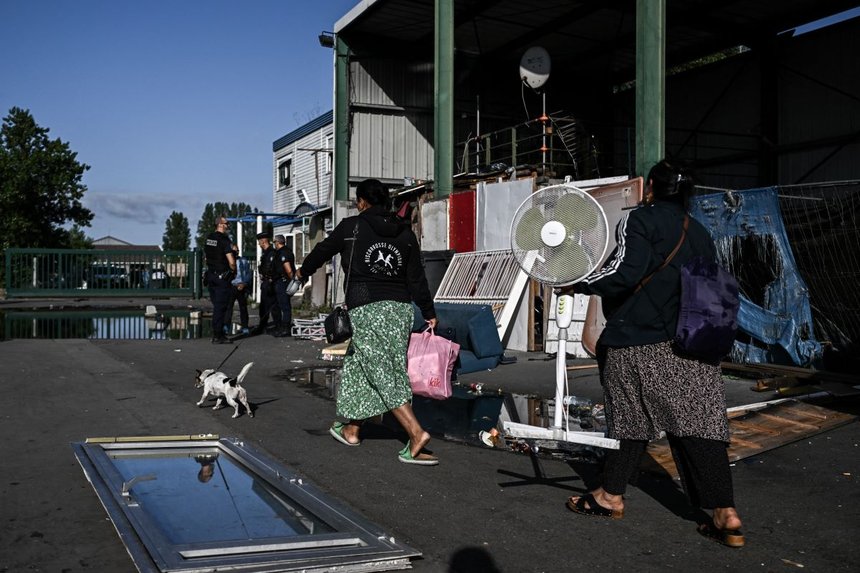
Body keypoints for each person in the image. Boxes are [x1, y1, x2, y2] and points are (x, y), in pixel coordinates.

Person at [559, 159, 745, 547]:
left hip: (638, 339)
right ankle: (725, 512)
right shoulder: (701, 232)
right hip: (693, 340)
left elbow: (624, 272)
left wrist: (576, 282)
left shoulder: (639, 220)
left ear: (651, 189)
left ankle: (610, 496)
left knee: (630, 420)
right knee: (699, 425)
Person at [296, 178, 439, 465]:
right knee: (361, 365)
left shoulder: (352, 227)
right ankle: (352, 428)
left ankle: (415, 433)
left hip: (367, 306)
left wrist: (303, 271)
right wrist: (428, 310)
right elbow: (416, 276)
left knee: (381, 369)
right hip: (400, 309)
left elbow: (323, 251)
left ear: (362, 202)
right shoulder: (405, 232)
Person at [204, 216, 236, 344]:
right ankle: (218, 336)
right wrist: (233, 271)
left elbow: (206, 258)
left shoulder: (209, 238)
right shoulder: (224, 240)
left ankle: (217, 333)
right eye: (227, 223)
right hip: (222, 277)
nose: (228, 226)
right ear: (221, 225)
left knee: (216, 305)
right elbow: (232, 262)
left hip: (211, 275)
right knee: (221, 307)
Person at [254, 232, 281, 334]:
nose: (259, 245)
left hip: (270, 282)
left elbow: (271, 269)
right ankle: (263, 326)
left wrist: (269, 279)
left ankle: (277, 326)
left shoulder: (271, 253)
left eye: (260, 242)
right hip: (266, 282)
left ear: (263, 241)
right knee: (264, 306)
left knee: (273, 306)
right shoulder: (266, 253)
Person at [224, 244, 251, 336]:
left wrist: (244, 283)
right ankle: (226, 326)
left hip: (241, 286)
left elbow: (248, 273)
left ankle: (245, 327)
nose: (236, 252)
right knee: (228, 307)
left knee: (243, 308)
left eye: (237, 251)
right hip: (231, 286)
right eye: (234, 251)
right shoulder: (227, 261)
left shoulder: (243, 261)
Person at [271, 234, 295, 337]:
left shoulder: (283, 253)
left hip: (283, 281)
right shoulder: (287, 251)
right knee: (282, 305)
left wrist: (292, 281)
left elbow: (288, 269)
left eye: (274, 242)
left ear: (278, 242)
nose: (274, 245)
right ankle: (283, 327)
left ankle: (285, 328)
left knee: (284, 306)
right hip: (282, 281)